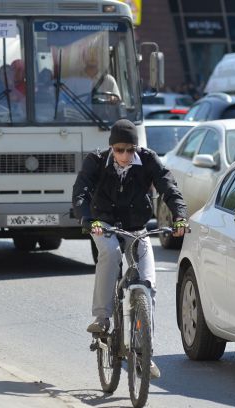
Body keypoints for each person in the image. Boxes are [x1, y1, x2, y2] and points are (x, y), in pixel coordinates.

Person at [72, 119, 187, 379]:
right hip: (105, 225)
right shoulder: (97, 160)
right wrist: (88, 219)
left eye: (130, 149)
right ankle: (102, 319)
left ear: (136, 147)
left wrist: (180, 216)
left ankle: (145, 354)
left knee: (147, 283)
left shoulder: (147, 160)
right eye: (120, 149)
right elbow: (81, 191)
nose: (125, 155)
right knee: (110, 253)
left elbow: (169, 187)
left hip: (137, 228)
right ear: (111, 147)